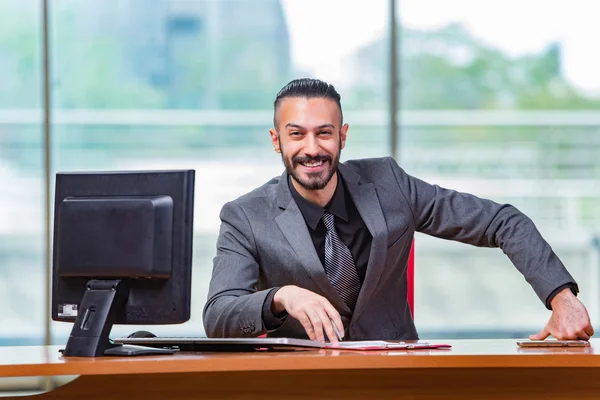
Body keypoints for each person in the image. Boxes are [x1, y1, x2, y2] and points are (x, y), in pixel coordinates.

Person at [202, 78, 594, 345]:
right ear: (276, 141)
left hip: (396, 376)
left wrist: (562, 297)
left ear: (342, 136)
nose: (312, 148)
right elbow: (218, 315)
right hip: (300, 382)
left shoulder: (388, 183)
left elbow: (501, 221)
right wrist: (281, 296)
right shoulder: (245, 216)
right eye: (296, 134)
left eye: (324, 132)